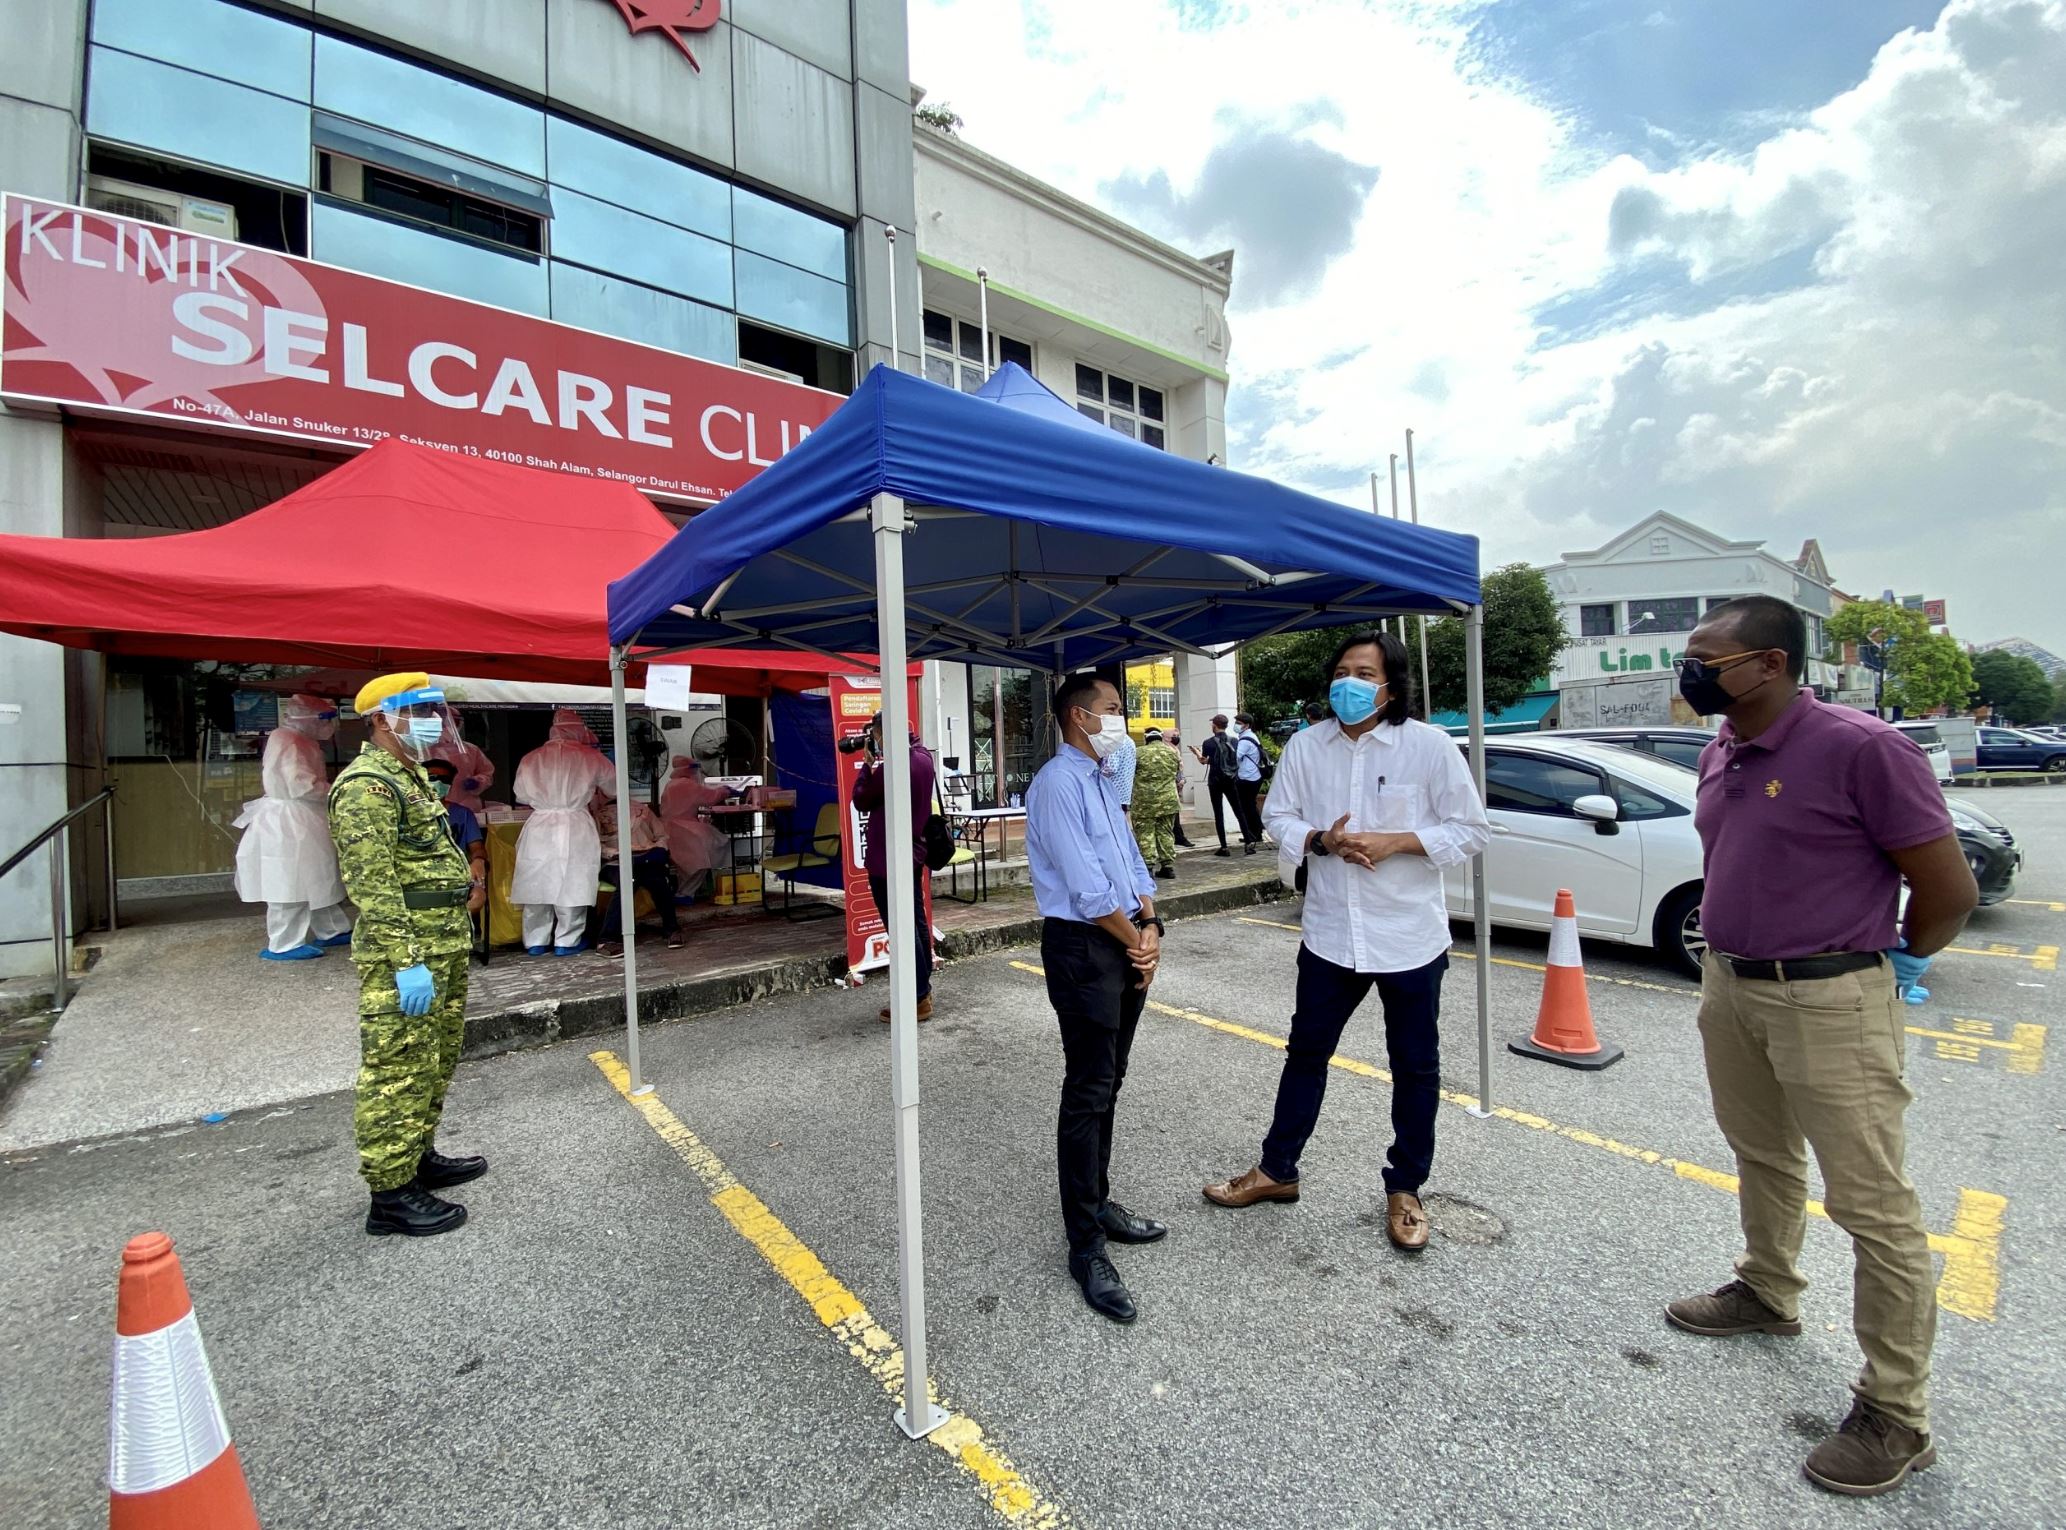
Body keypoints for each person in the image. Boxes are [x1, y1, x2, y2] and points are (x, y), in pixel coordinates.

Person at [1663, 596, 1978, 1498]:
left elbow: (1945, 889)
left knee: (1873, 1204)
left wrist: (1880, 958)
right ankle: (1768, 1290)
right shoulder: (1723, 747)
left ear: (1768, 664)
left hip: (1832, 997)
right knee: (1760, 1153)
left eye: (1706, 659)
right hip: (1731, 986)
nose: (1691, 673)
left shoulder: (1864, 748)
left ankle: (1897, 1412)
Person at [1204, 632, 1489, 1254]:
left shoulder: (1431, 747)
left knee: (1415, 1067)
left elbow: (1471, 829)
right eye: (1341, 671)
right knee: (1305, 1054)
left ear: (1391, 684)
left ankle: (1406, 1187)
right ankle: (1277, 1170)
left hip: (1408, 934)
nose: (1348, 683)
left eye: (1363, 672)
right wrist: (1319, 840)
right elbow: (1276, 816)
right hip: (1332, 932)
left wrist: (1398, 841)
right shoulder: (1307, 747)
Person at [1024, 674, 1165, 1325]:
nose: (1121, 721)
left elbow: (1129, 863)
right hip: (1085, 947)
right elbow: (1083, 886)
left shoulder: (1102, 781)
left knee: (1112, 1079)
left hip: (1122, 939)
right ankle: (1085, 1244)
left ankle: (1100, 1201)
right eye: (1113, 710)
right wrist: (1133, 938)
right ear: (1080, 716)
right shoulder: (1057, 784)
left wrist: (1151, 926)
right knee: (1087, 1088)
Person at [328, 673, 484, 1238]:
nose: (432, 723)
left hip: (443, 940)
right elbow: (373, 883)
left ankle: (418, 1157)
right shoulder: (366, 786)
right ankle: (390, 1193)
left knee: (433, 1060)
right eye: (418, 712)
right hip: (410, 949)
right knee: (396, 1069)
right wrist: (403, 957)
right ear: (380, 719)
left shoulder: (411, 777)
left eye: (433, 711)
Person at [232, 693, 353, 961]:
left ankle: (331, 929)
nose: (330, 725)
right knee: (290, 880)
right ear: (308, 719)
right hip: (289, 821)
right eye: (326, 718)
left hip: (304, 816)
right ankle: (284, 942)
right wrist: (339, 791)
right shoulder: (288, 739)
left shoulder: (302, 740)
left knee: (317, 875)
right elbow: (302, 785)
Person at [851, 711, 938, 1022]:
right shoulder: (923, 757)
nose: (874, 741)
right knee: (915, 922)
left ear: (883, 733)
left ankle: (916, 998)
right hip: (913, 852)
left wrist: (868, 766)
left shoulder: (895, 766)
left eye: (875, 734)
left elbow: (861, 798)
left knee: (901, 929)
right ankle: (922, 989)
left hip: (889, 858)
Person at [510, 708, 612, 956]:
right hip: (575, 821)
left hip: (539, 824)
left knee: (537, 881)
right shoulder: (590, 756)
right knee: (573, 881)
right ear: (579, 729)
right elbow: (614, 787)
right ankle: (567, 941)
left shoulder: (530, 758)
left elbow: (520, 794)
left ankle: (535, 940)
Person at [592, 789, 684, 955]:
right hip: (614, 863)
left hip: (645, 859)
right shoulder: (598, 816)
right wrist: (615, 853)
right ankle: (605, 939)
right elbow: (596, 846)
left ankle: (672, 929)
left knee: (658, 880)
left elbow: (662, 836)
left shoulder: (643, 811)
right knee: (628, 880)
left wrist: (654, 849)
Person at [422, 758, 488, 922]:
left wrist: (479, 860)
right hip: (421, 877)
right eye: (432, 778)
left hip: (456, 877)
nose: (437, 783)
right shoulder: (409, 813)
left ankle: (451, 928)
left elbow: (477, 848)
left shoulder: (463, 814)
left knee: (478, 897)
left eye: (444, 780)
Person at [659, 755, 731, 895]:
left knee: (685, 865)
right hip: (684, 830)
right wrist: (725, 791)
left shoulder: (671, 784)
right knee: (701, 861)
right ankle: (685, 893)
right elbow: (710, 797)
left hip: (669, 829)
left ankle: (690, 891)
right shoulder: (687, 785)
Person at [1130, 727, 1181, 879]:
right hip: (1169, 801)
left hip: (1145, 802)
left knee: (1145, 833)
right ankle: (1168, 866)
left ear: (1146, 738)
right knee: (1166, 832)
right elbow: (1177, 773)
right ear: (1160, 738)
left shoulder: (1138, 753)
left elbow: (1130, 774)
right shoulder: (1172, 753)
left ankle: (1148, 867)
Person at [428, 704, 495, 814]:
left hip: (467, 806)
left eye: (455, 722)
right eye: (444, 723)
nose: (448, 727)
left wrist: (477, 782)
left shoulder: (471, 750)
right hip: (435, 807)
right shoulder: (425, 749)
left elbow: (487, 772)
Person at [1195, 714, 1239, 857]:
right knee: (1239, 810)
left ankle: (1224, 846)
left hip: (1215, 780)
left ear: (1214, 725)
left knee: (1218, 813)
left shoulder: (1208, 743)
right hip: (1231, 779)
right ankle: (1249, 842)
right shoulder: (1234, 741)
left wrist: (1197, 754)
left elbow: (1205, 761)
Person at [1230, 711, 1268, 853]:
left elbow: (1236, 758)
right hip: (1254, 776)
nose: (1236, 725)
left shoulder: (1245, 740)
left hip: (1248, 777)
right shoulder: (1250, 736)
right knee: (1250, 805)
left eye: (1239, 723)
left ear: (1246, 725)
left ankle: (1253, 834)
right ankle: (1254, 833)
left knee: (1246, 806)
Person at [1166, 730, 1196, 849]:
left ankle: (1178, 836)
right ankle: (1178, 837)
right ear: (1166, 738)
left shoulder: (1175, 750)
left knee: (1175, 813)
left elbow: (1180, 769)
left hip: (1175, 786)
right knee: (1173, 813)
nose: (1177, 738)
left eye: (1178, 736)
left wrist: (1182, 779)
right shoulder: (1167, 751)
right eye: (1174, 736)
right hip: (1169, 787)